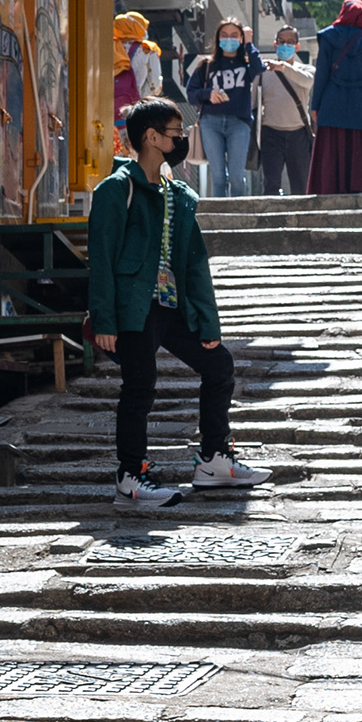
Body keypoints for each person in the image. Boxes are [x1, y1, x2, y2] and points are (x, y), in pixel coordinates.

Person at [87, 100, 250, 507]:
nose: (182, 139)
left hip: (172, 305)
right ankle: (131, 477)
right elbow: (102, 258)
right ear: (151, 137)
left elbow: (195, 265)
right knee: (140, 386)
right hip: (133, 307)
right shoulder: (115, 189)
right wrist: (105, 320)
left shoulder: (177, 193)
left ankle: (214, 459)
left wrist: (208, 324)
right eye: (176, 133)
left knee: (219, 365)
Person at [307, 0, 362, 196]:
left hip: (332, 100)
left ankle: (330, 187)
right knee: (359, 145)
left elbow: (322, 74)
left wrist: (315, 105)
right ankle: (360, 186)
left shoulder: (327, 37)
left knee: (332, 144)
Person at [192, 20, 259, 199]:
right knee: (219, 177)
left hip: (239, 123)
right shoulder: (206, 65)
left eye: (234, 35)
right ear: (217, 39)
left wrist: (249, 43)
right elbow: (192, 93)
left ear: (241, 39)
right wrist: (208, 94)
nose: (229, 39)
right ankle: (219, 217)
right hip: (210, 123)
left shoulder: (246, 64)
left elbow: (259, 68)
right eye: (224, 35)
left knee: (237, 176)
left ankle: (239, 216)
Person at [250, 25, 316, 196]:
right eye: (282, 42)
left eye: (290, 42)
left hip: (299, 134)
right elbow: (253, 102)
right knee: (271, 184)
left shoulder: (306, 70)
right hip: (271, 134)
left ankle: (302, 221)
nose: (286, 45)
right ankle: (271, 220)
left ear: (297, 46)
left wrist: (283, 67)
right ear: (275, 45)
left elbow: (307, 82)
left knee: (301, 186)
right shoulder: (263, 71)